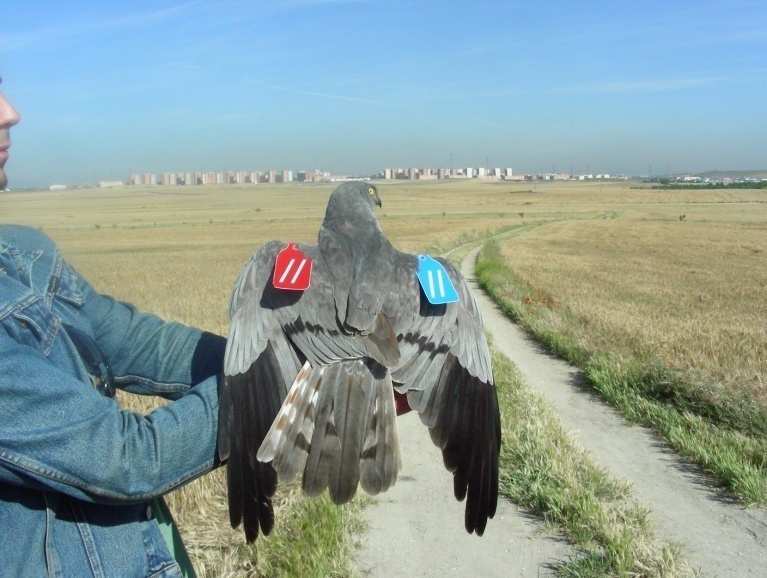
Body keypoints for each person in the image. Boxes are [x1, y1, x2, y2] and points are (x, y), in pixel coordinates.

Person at [0, 82, 225, 577]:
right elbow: (124, 459)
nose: (11, 113)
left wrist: (291, 354)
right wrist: (282, 385)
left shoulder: (21, 251)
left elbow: (138, 343)